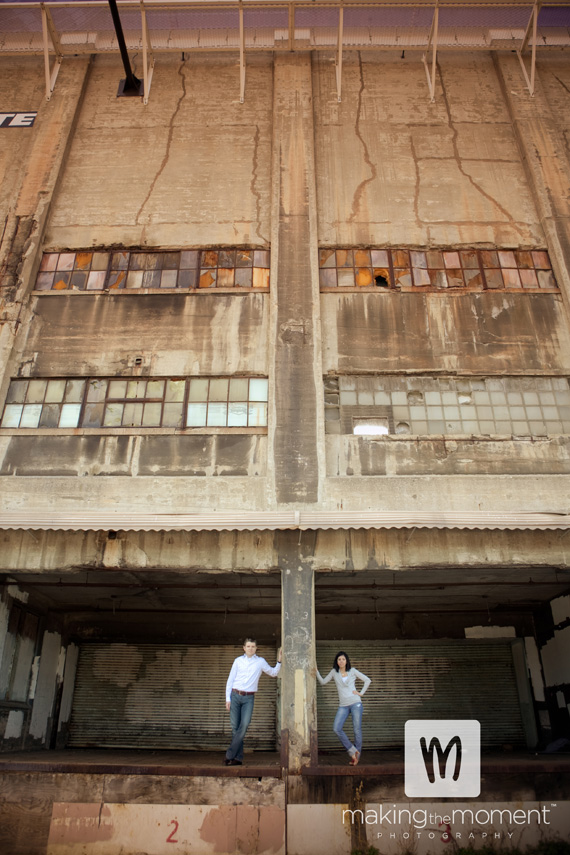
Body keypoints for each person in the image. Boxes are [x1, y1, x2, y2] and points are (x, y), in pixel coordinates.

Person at [224, 637, 282, 766]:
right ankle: (237, 758)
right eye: (248, 646)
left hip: (248, 698)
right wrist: (228, 698)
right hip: (235, 695)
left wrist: (279, 660)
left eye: (253, 646)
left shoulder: (260, 662)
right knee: (235, 728)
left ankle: (229, 754)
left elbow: (273, 673)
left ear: (256, 648)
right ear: (244, 648)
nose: (250, 648)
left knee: (244, 725)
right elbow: (230, 680)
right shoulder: (238, 661)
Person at [317, 650, 371, 765]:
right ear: (336, 662)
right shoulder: (334, 672)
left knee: (357, 730)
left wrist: (361, 693)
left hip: (356, 703)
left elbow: (367, 680)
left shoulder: (352, 671)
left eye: (343, 659)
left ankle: (356, 757)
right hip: (343, 706)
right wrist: (316, 671)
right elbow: (322, 682)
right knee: (336, 728)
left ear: (346, 661)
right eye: (339, 659)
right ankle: (353, 750)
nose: (341, 661)